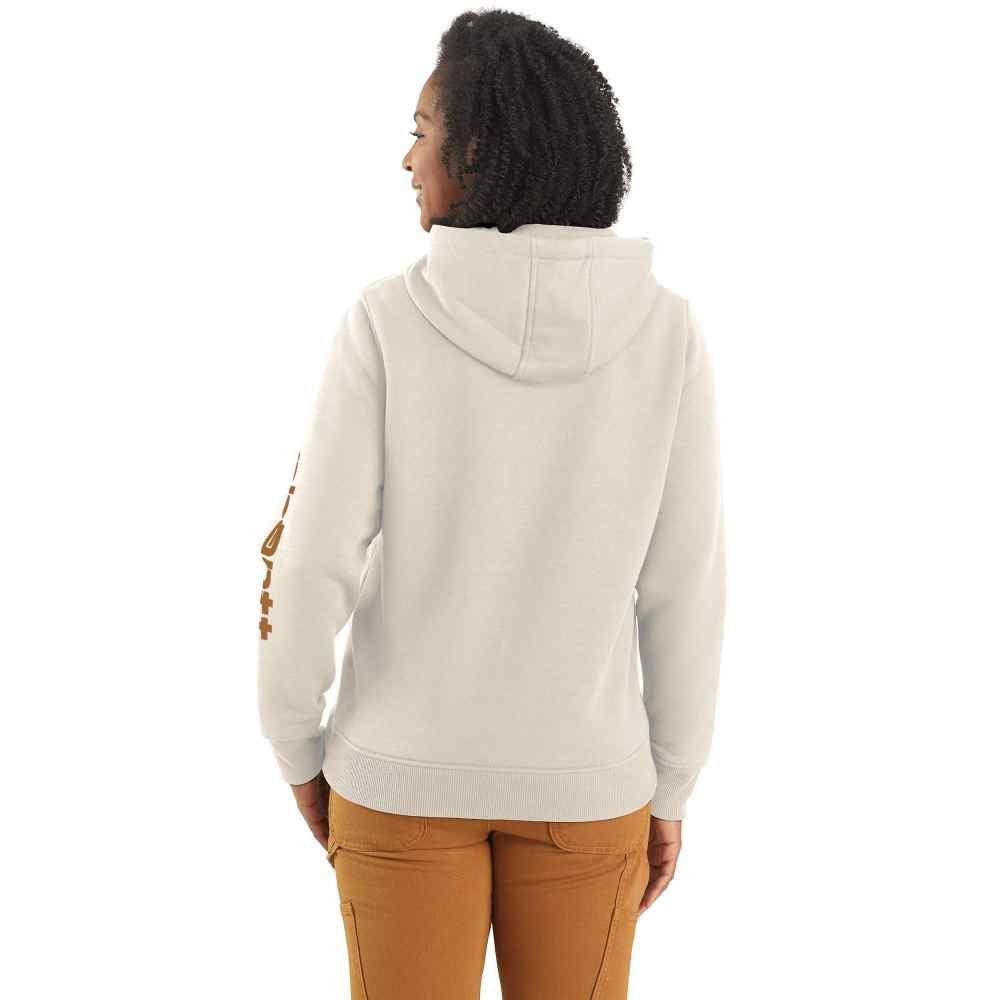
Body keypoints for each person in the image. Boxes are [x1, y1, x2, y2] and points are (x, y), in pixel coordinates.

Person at [256, 10, 726, 998]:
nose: (406, 159)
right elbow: (686, 586)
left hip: (398, 780)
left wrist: (295, 740)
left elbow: (310, 561)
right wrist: (673, 779)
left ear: (473, 151)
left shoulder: (386, 321)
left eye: (421, 131)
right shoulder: (666, 332)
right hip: (589, 785)